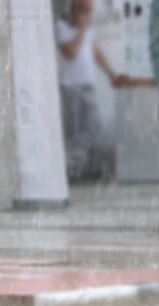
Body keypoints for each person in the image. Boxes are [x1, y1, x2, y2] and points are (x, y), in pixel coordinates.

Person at [56, 0, 127, 183]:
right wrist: (80, 29)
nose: (87, 15)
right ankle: (71, 169)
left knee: (94, 126)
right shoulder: (62, 27)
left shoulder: (86, 30)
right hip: (70, 87)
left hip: (86, 86)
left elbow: (95, 52)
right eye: (84, 11)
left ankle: (73, 163)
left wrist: (111, 74)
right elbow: (71, 52)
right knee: (75, 130)